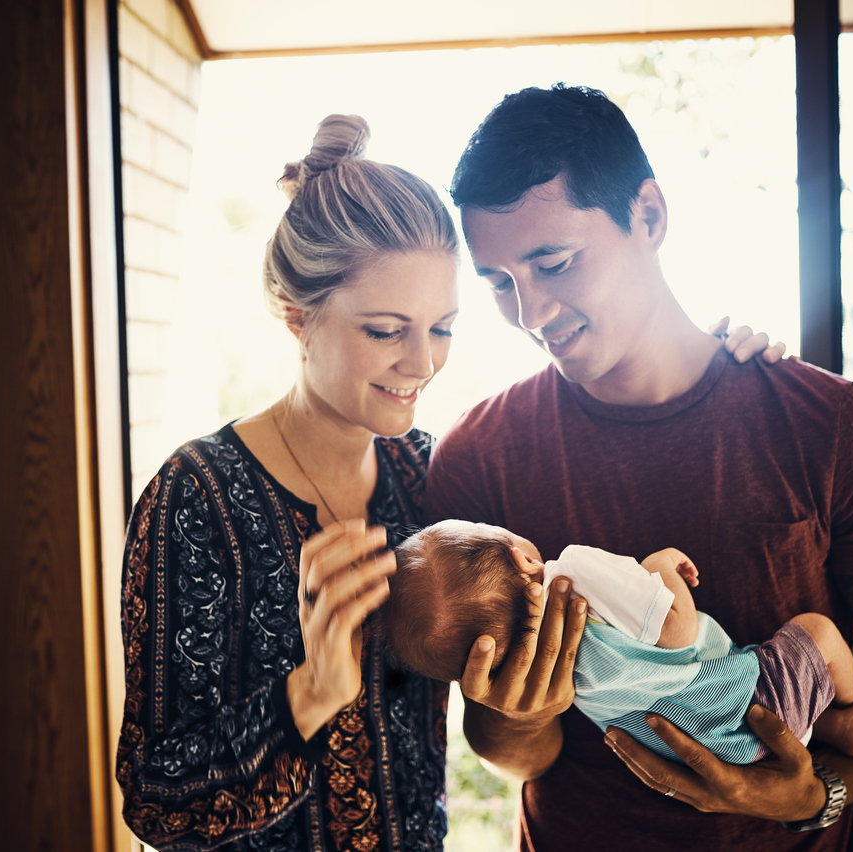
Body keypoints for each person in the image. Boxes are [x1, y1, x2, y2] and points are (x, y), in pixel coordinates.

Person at [115, 113, 781, 851]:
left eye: (443, 327)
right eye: (385, 330)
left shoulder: (426, 476)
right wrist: (307, 696)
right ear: (295, 317)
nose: (423, 364)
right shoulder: (197, 497)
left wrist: (720, 364)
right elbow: (156, 804)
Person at [424, 84, 853, 850]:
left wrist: (818, 794)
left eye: (554, 262)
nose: (531, 312)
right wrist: (515, 713)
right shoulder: (479, 459)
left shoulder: (827, 426)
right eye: (499, 282)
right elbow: (519, 755)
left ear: (648, 215)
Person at [381, 520, 853, 765]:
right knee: (816, 633)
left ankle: (836, 723)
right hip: (749, 701)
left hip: (719, 751)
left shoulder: (543, 670)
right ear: (520, 557)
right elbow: (676, 631)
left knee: (782, 682)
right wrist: (660, 565)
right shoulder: (573, 571)